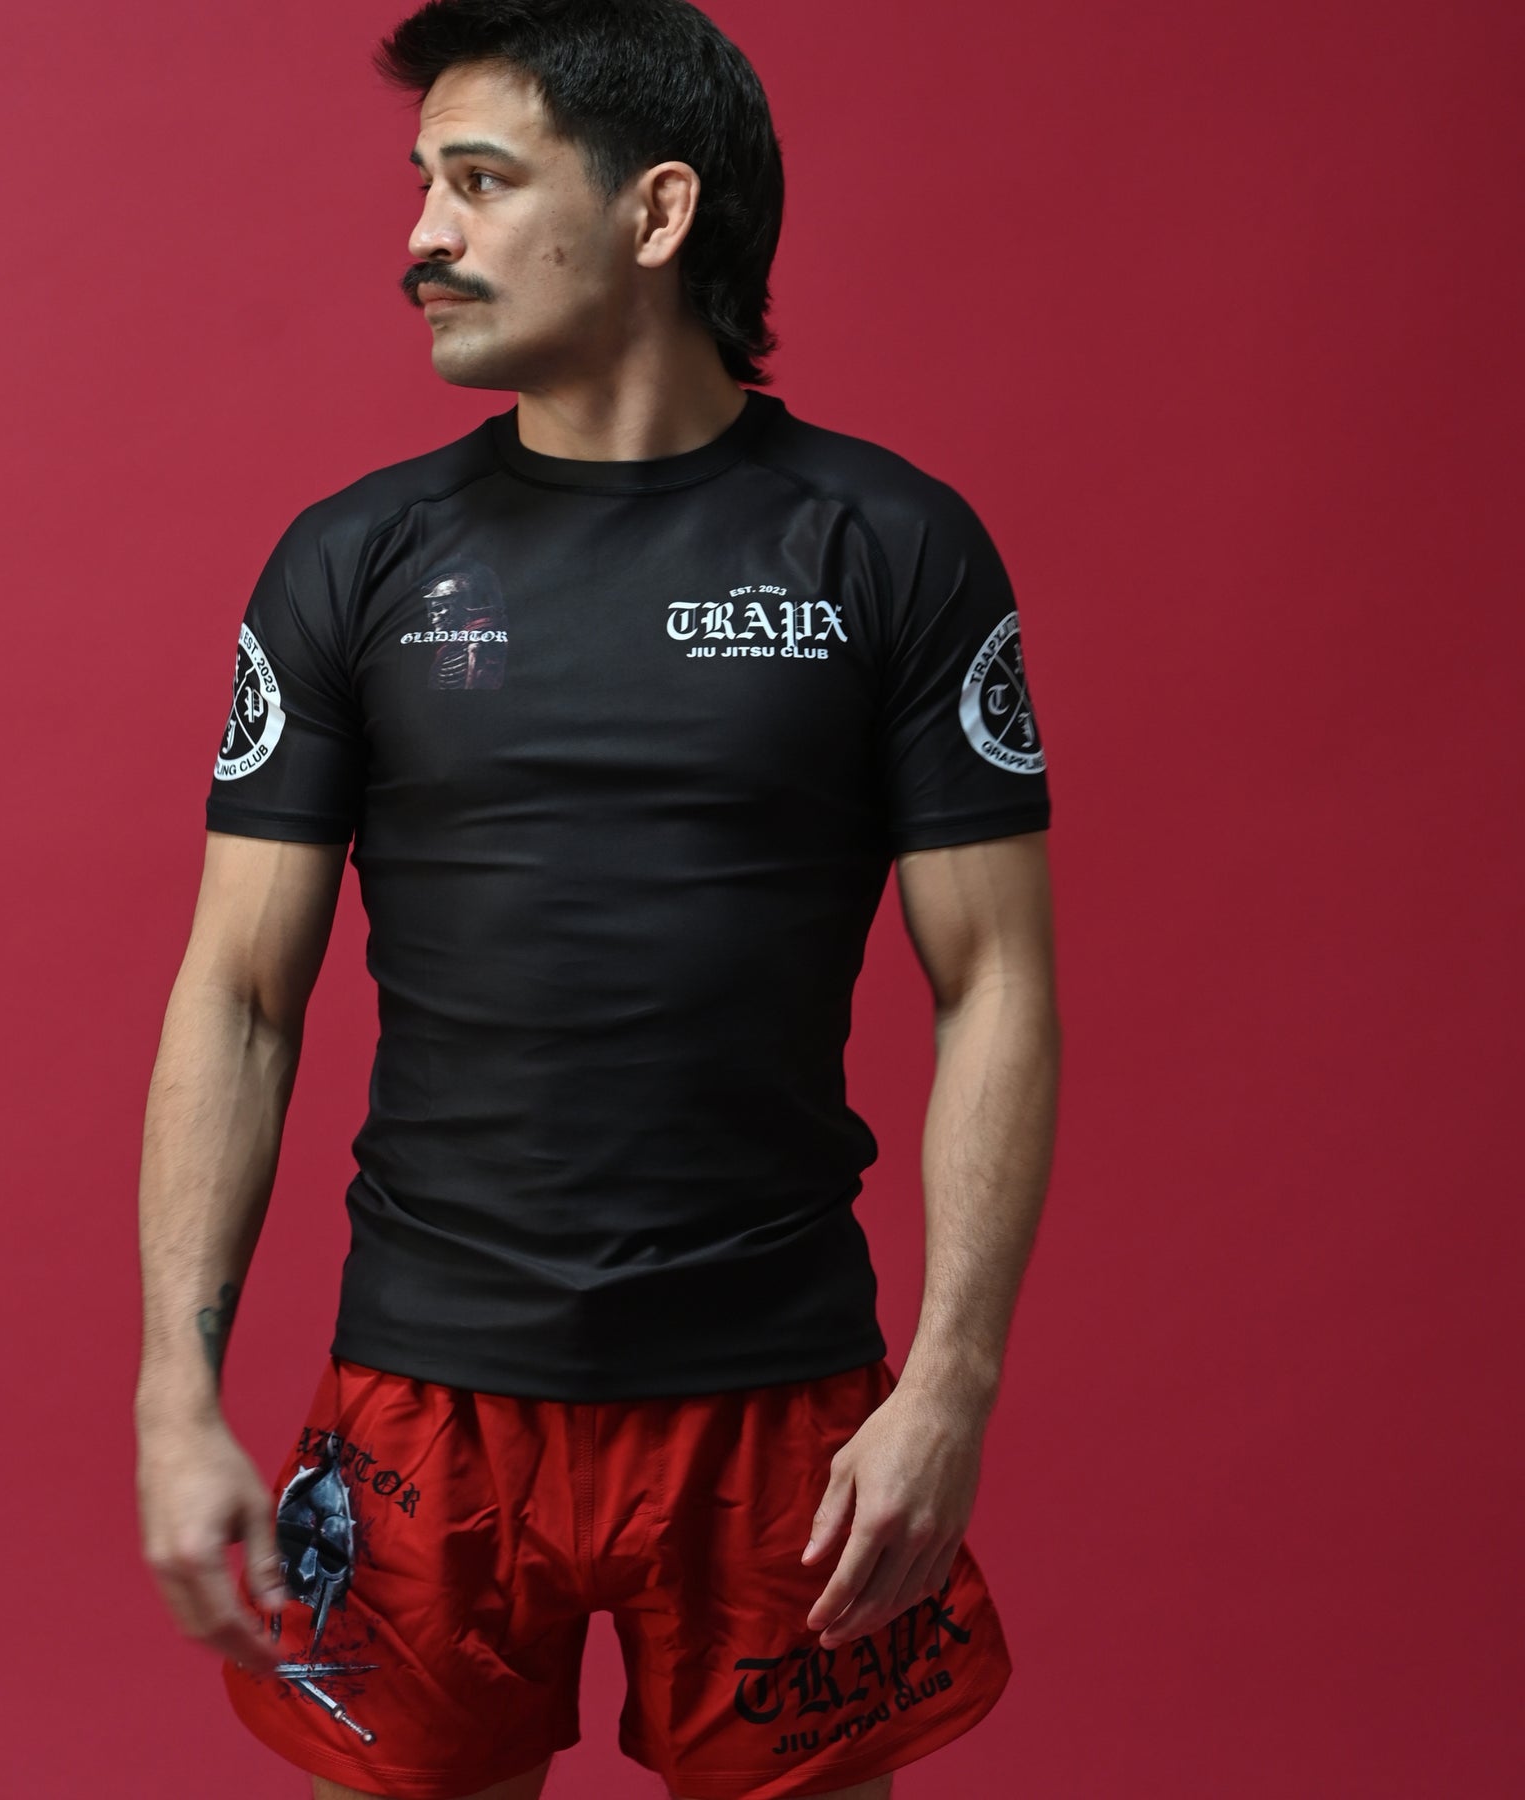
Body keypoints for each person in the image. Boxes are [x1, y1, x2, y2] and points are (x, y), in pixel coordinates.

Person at [133, 3, 1061, 1797]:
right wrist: (176, 1395)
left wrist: (950, 1385)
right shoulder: (353, 560)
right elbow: (239, 993)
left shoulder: (891, 546)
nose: (423, 236)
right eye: (423, 184)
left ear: (656, 212)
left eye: (480, 182)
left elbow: (996, 978)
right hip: (426, 1404)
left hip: (778, 1404)